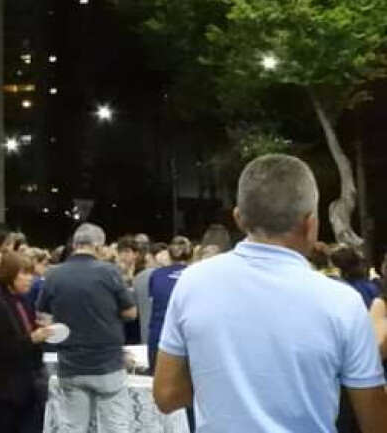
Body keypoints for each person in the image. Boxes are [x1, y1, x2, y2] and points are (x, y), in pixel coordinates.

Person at [154, 154, 387, 431]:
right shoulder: (343, 302)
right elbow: (375, 422)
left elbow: (166, 395)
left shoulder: (192, 282)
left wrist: (225, 382)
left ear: (239, 218)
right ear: (311, 223)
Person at [36, 222, 136, 433]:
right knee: (115, 426)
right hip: (107, 362)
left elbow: (43, 316)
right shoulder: (110, 272)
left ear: (74, 245)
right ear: (98, 247)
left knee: (73, 427)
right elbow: (131, 312)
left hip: (71, 364)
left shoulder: (53, 274)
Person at [0, 252, 52, 433]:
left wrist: (39, 330)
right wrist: (32, 338)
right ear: (9, 274)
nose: (30, 279)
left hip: (24, 389)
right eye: (24, 273)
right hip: (4, 393)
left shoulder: (22, 302)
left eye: (31, 273)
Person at [147, 235, 191, 369]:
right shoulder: (197, 273)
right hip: (187, 338)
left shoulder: (156, 275)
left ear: (169, 255)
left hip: (159, 337)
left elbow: (152, 301)